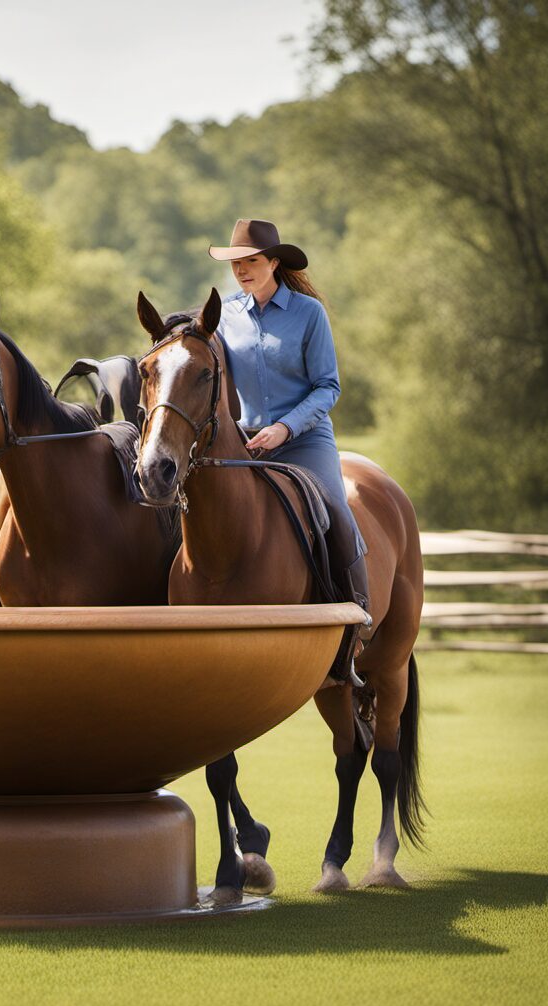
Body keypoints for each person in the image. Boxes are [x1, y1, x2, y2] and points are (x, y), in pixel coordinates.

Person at [208, 218, 370, 685]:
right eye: (236, 263)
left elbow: (327, 388)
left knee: (336, 508)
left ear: (274, 262)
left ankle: (357, 619)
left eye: (251, 261)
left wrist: (284, 428)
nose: (242, 270)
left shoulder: (308, 314)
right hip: (244, 443)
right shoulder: (226, 317)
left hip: (304, 439)